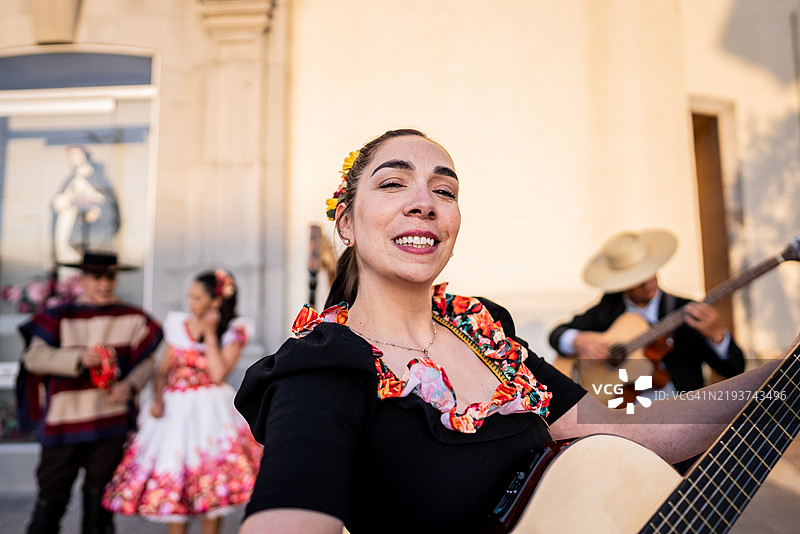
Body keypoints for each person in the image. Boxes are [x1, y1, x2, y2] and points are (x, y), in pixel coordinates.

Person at [233, 129, 787, 533]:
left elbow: (626, 428)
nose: (423, 203)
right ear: (347, 222)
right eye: (393, 183)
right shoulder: (324, 365)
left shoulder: (484, 332)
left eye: (444, 191)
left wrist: (783, 374)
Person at [102, 269, 261, 534]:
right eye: (190, 296)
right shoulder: (177, 325)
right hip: (174, 413)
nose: (191, 303)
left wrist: (210, 333)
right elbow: (163, 370)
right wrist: (157, 399)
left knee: (211, 482)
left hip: (211, 414)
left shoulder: (235, 330)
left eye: (197, 297)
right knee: (176, 483)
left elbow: (219, 372)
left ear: (216, 301)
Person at [18, 251, 163, 534]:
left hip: (110, 424)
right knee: (51, 501)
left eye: (110, 276)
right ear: (82, 279)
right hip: (64, 425)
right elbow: (32, 358)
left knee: (100, 507)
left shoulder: (133, 316)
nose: (105, 283)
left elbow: (149, 362)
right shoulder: (58, 315)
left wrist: (130, 384)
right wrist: (76, 359)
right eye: (97, 276)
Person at [547, 229, 745, 395]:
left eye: (649, 270)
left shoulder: (685, 309)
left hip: (679, 410)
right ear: (621, 283)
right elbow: (557, 334)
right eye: (637, 277)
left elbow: (734, 369)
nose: (648, 281)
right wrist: (579, 341)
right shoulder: (608, 309)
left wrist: (717, 336)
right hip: (623, 413)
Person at [52, 145, 121, 266]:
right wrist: (69, 200)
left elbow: (104, 201)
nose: (74, 158)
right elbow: (59, 201)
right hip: (69, 220)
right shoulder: (73, 176)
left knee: (83, 256)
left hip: (87, 226)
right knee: (66, 254)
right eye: (72, 155)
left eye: (77, 155)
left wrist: (91, 205)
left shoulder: (95, 176)